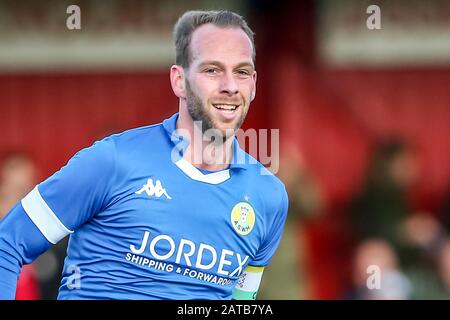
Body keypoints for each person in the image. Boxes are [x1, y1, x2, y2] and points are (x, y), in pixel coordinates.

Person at [0, 10, 289, 300]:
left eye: (241, 71)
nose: (229, 86)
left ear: (253, 84)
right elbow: (8, 243)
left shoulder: (268, 197)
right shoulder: (112, 161)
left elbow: (241, 300)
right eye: (212, 70)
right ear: (179, 81)